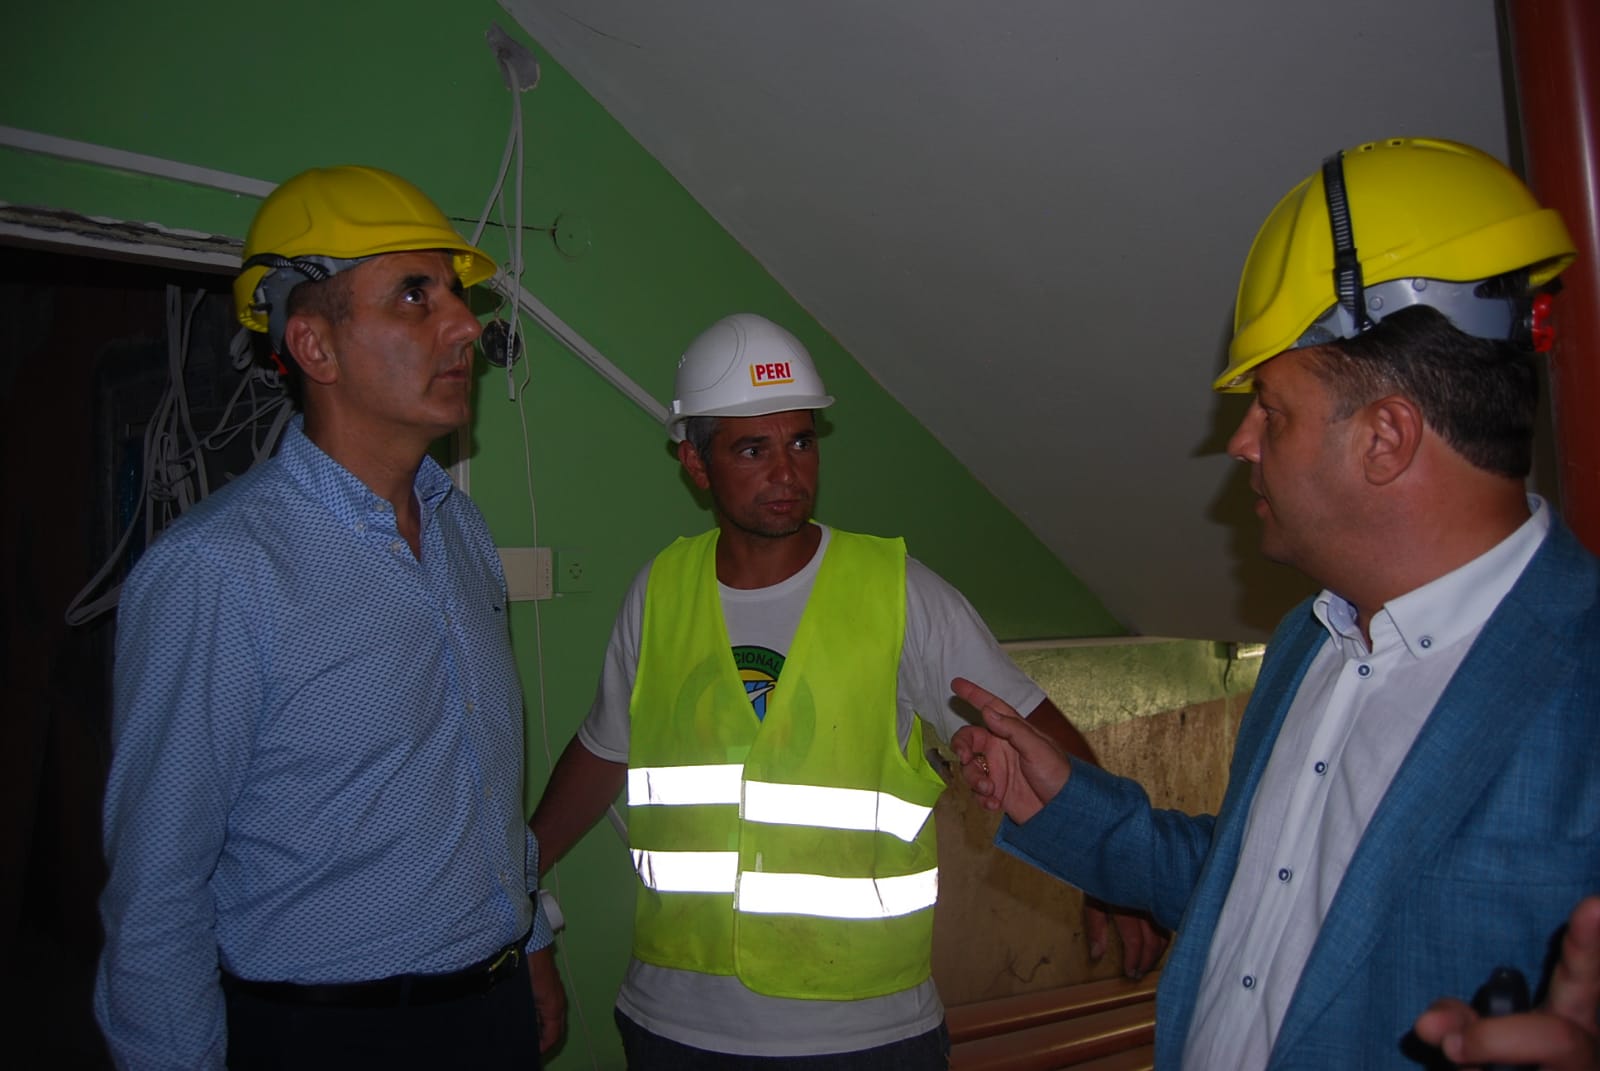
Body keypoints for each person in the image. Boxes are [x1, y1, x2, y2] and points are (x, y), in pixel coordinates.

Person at [948, 136, 1600, 1069]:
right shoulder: (1311, 638)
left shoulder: (1582, 683)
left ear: (1384, 439)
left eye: (1272, 410)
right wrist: (1064, 805)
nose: (1242, 442)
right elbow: (1258, 886)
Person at [528, 312, 1165, 1067]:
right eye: (753, 449)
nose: (787, 473)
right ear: (695, 463)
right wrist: (515, 881)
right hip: (673, 1023)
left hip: (864, 1034)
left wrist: (1114, 871)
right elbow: (604, 751)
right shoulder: (659, 593)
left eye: (801, 442)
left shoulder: (899, 593)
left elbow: (1032, 730)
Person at [94, 165, 565, 1070]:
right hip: (330, 1035)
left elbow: (480, 785)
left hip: (493, 1007)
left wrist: (532, 943)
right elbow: (158, 893)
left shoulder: (460, 528)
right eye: (415, 295)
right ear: (314, 346)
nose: (466, 324)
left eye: (456, 294)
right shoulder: (217, 572)